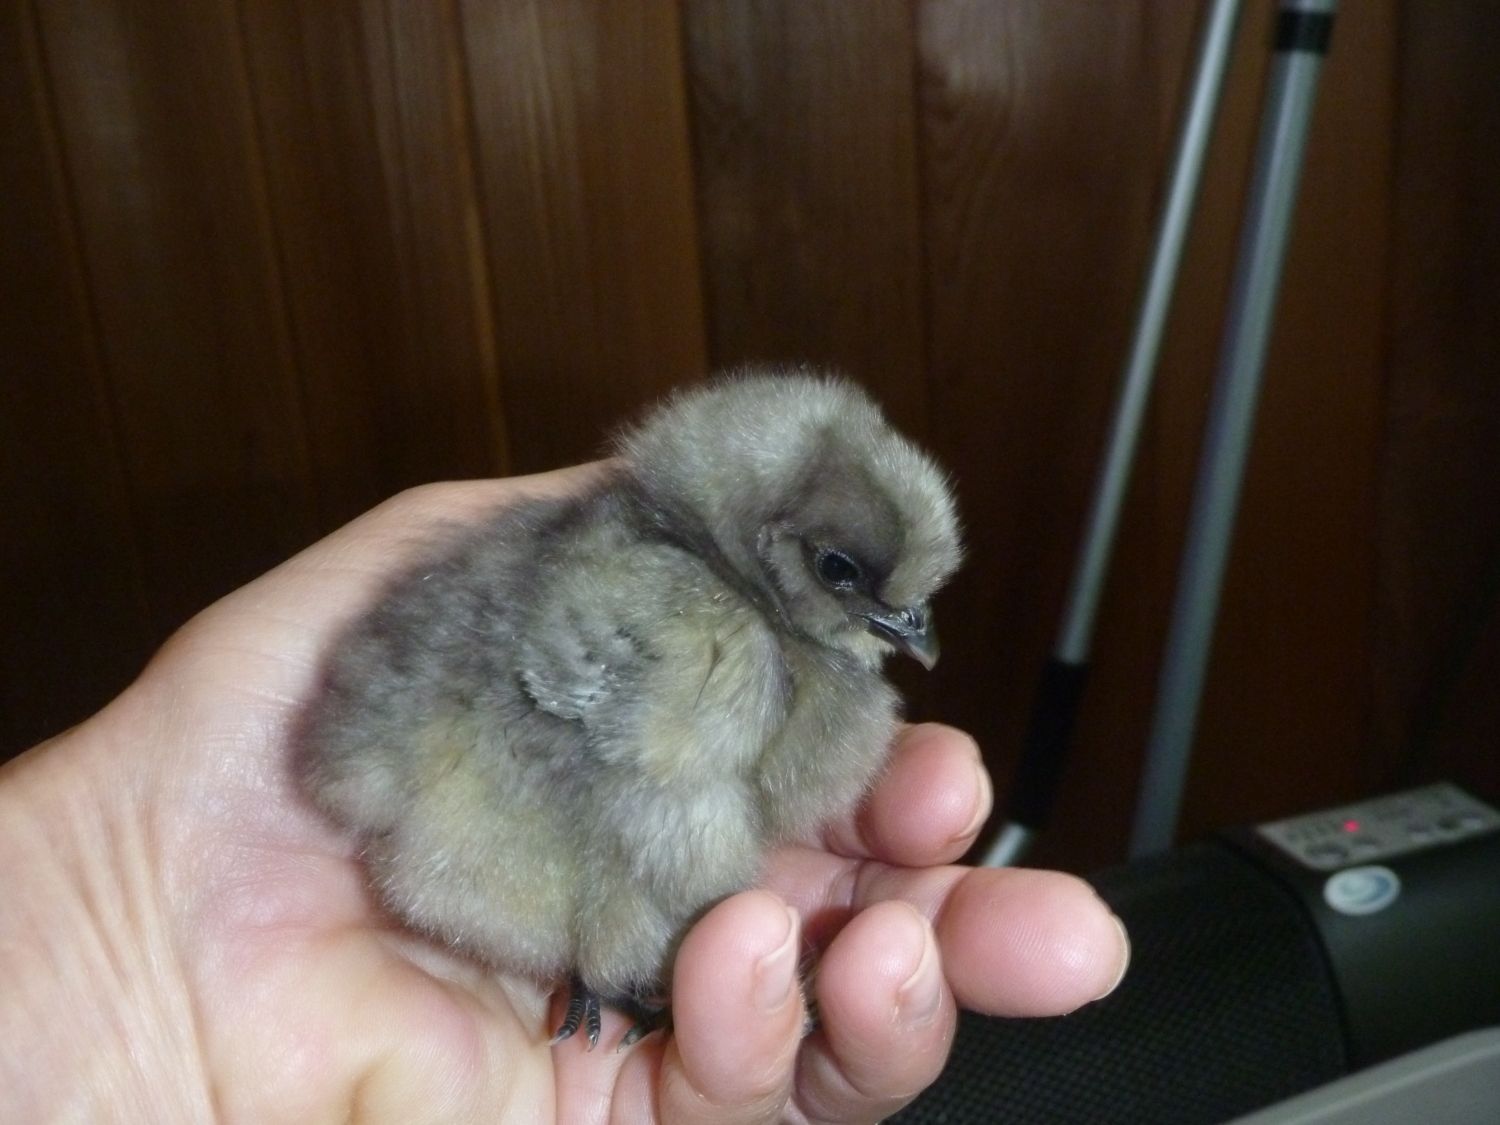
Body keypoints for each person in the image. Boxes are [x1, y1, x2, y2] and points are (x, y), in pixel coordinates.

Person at [0, 467, 1129, 1122]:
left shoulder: (652, 563)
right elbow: (649, 817)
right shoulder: (710, 638)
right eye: (850, 575)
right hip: (480, 847)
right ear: (767, 538)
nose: (907, 626)